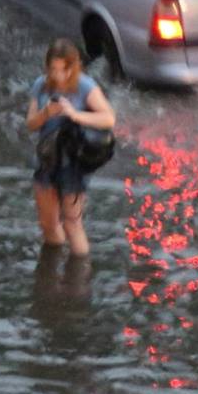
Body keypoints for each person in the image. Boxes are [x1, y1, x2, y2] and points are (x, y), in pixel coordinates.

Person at [24, 37, 115, 255]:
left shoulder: (85, 86)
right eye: (53, 69)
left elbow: (108, 118)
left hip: (73, 161)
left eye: (64, 69)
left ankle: (79, 278)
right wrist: (46, 113)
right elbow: (30, 124)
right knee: (47, 223)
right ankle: (52, 267)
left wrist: (74, 114)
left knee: (72, 222)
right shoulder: (40, 85)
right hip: (47, 158)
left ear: (74, 67)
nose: (59, 75)